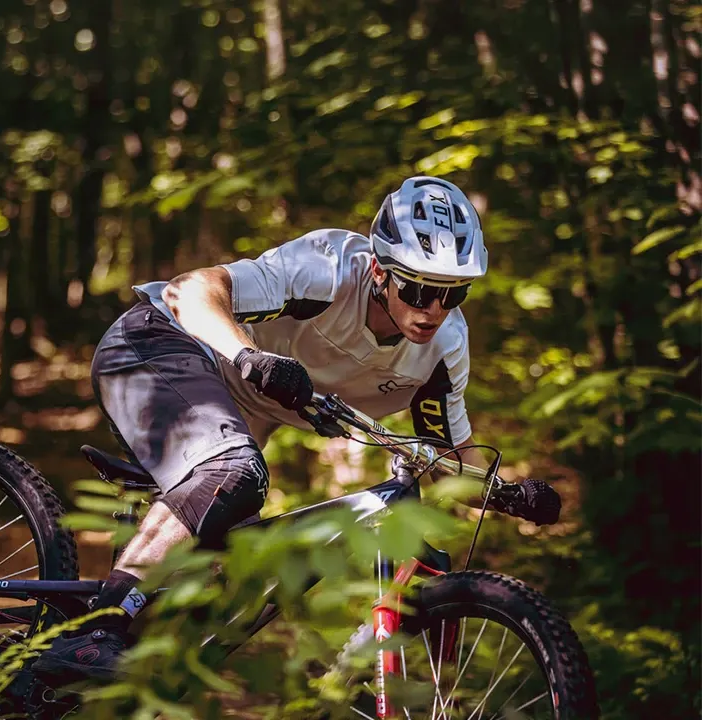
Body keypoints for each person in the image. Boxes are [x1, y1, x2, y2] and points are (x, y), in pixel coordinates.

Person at [30, 176, 560, 682]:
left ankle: (96, 678)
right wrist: (247, 354)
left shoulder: (443, 351)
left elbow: (452, 454)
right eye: (419, 290)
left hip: (234, 408)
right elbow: (189, 290)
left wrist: (507, 492)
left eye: (453, 294)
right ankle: (95, 631)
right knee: (234, 473)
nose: (435, 310)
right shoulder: (328, 269)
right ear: (379, 270)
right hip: (158, 346)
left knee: (219, 581)